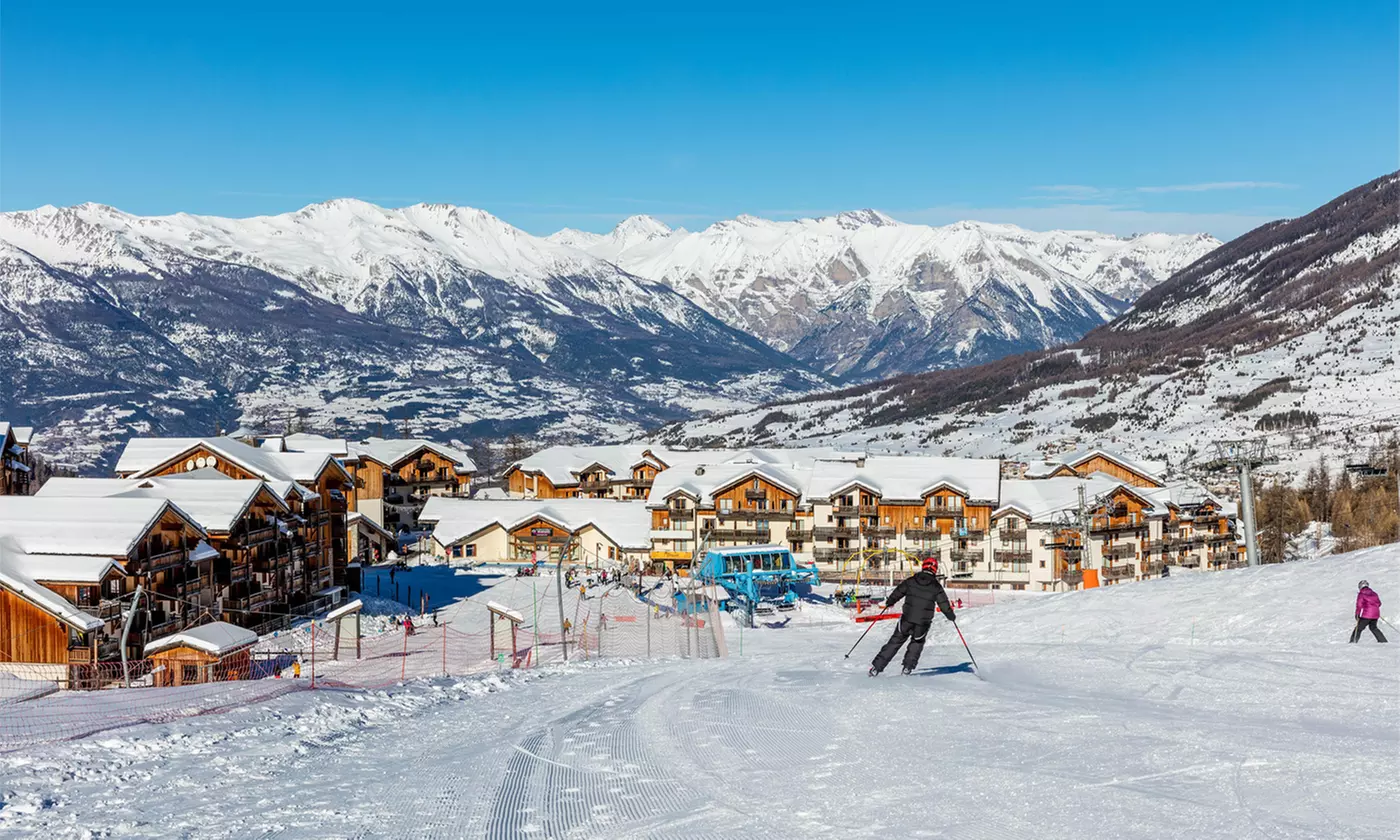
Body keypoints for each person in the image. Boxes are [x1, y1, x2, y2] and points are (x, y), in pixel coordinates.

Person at [870, 557, 955, 676]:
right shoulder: (936, 586)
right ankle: (907, 668)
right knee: (917, 643)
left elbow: (898, 591)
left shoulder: (911, 580)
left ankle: (876, 668)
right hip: (922, 623)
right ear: (935, 570)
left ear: (923, 567)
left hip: (907, 619)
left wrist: (890, 601)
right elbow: (944, 604)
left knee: (895, 642)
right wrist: (951, 616)